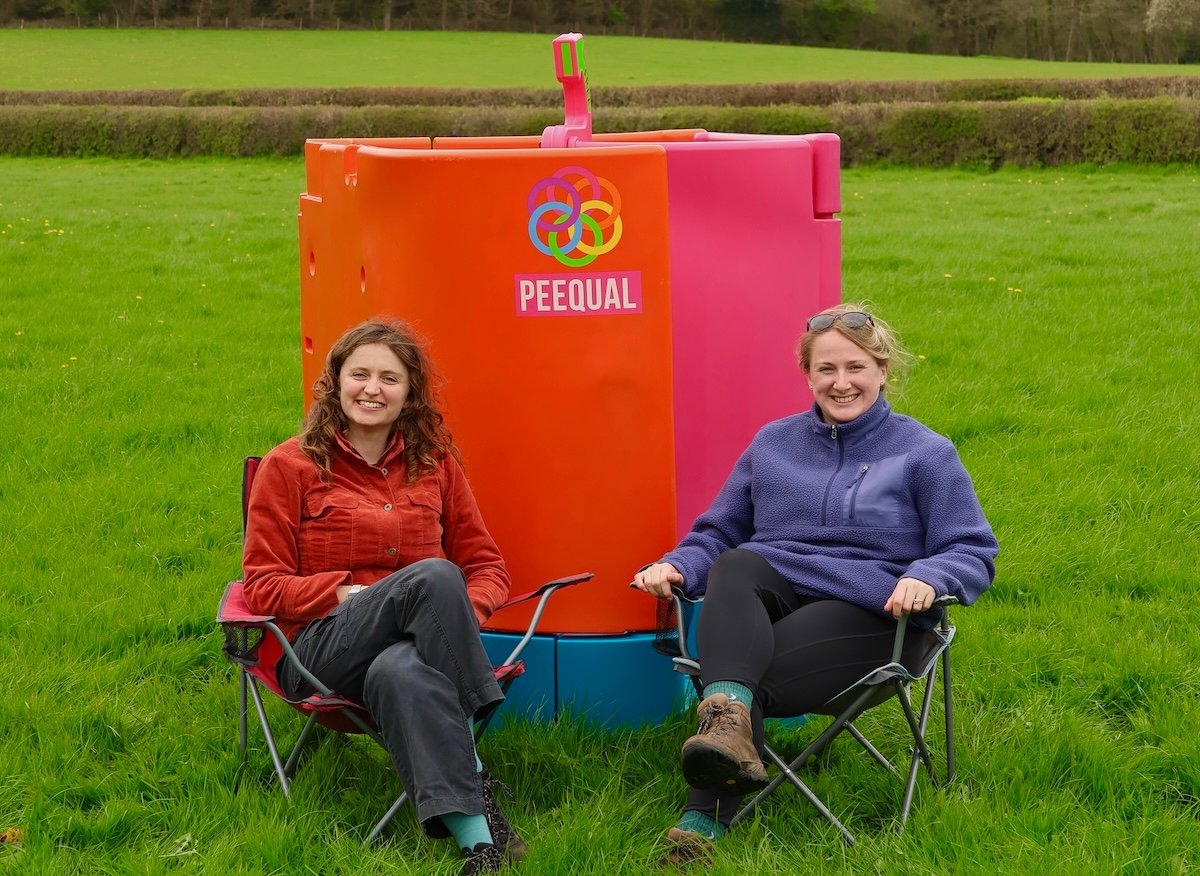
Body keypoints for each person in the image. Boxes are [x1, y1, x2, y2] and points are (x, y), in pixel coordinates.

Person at [632, 302, 998, 865]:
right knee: (736, 565)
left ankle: (703, 818)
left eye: (856, 367)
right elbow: (719, 532)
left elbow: (971, 549)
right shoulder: (773, 443)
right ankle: (729, 723)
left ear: (882, 371)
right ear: (807, 375)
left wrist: (927, 575)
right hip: (778, 597)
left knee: (740, 673)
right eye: (826, 369)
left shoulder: (924, 453)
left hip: (876, 611)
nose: (841, 382)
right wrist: (678, 565)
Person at [242, 318, 522, 875]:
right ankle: (476, 758)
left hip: (412, 653)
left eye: (390, 378)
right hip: (320, 651)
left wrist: (452, 618)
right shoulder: (289, 466)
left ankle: (480, 847)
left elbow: (487, 567)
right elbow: (262, 586)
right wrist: (343, 593)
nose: (372, 389)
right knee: (434, 576)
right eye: (360, 374)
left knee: (404, 669)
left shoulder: (435, 465)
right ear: (335, 383)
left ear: (410, 394)